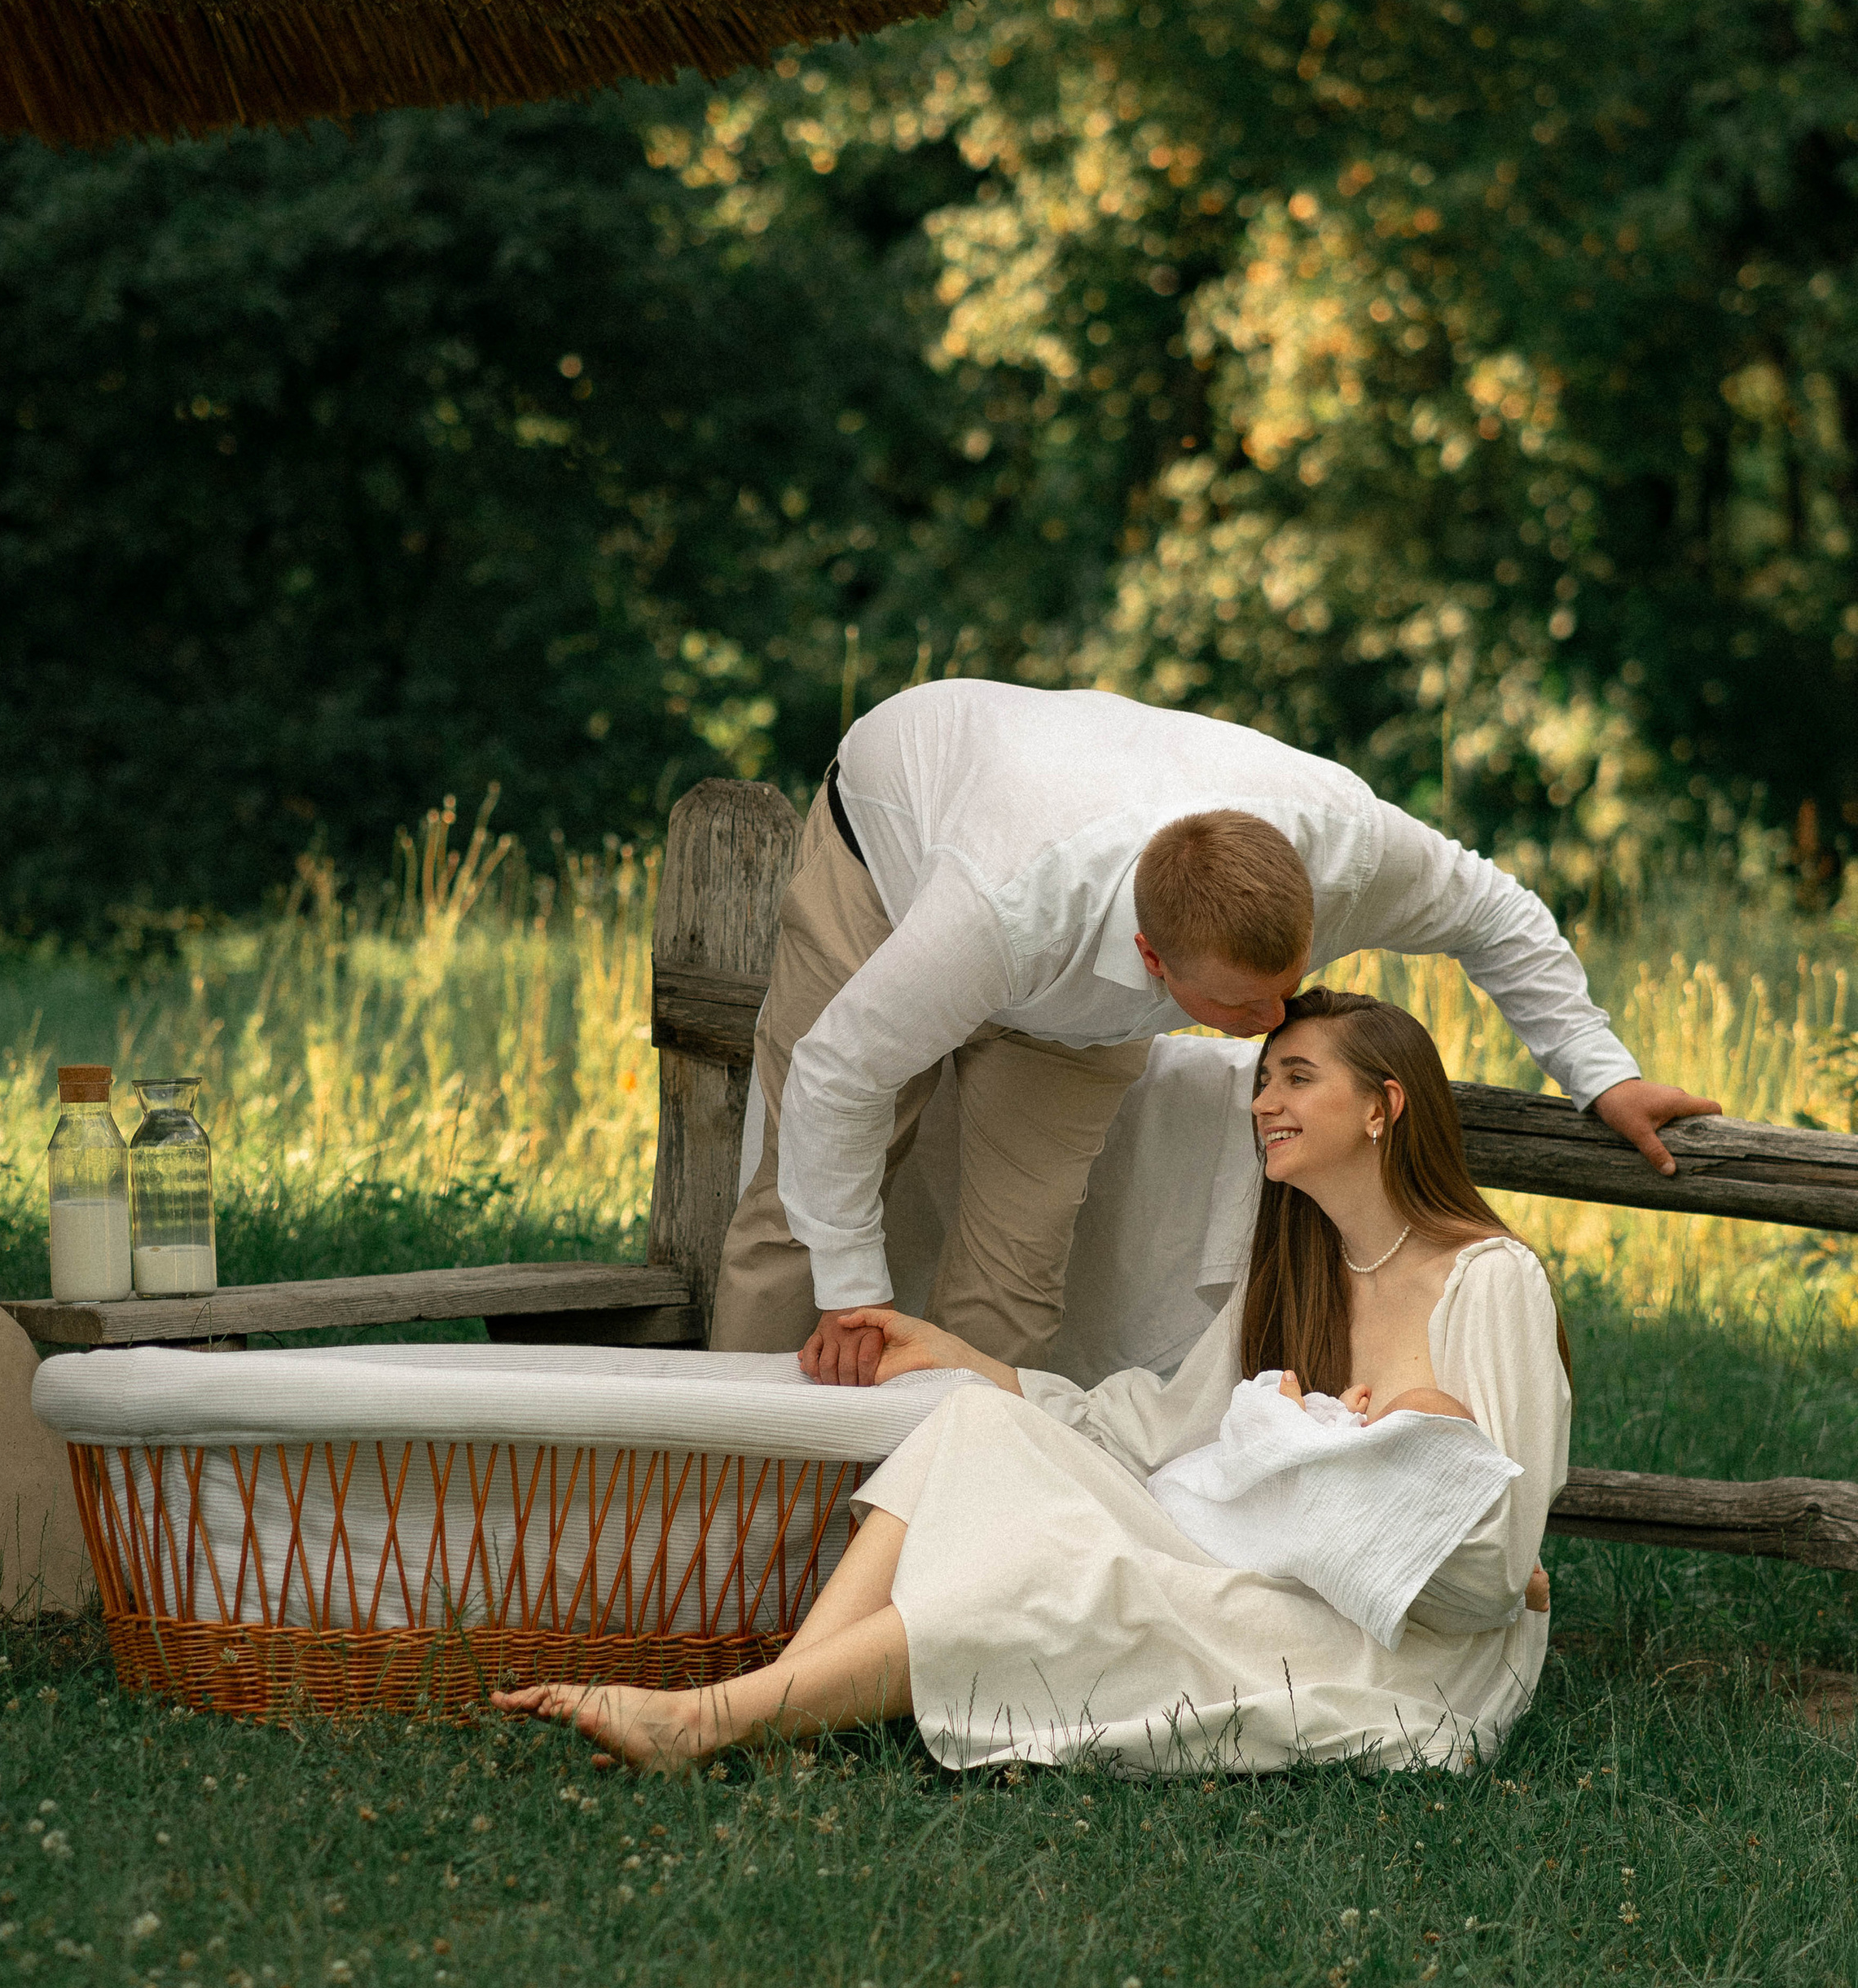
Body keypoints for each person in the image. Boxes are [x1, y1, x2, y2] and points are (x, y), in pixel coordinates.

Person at [498, 988, 1568, 1778]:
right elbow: (1163, 1427)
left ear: (1385, 1106)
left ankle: (708, 1721)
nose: (1264, 1105)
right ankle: (773, 1726)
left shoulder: (1489, 1281)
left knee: (1073, 1579)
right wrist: (971, 1364)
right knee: (972, 1430)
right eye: (1260, 1081)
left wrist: (1356, 1504)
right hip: (1253, 1563)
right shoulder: (1292, 1266)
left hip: (1399, 1650)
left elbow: (1495, 1558)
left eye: (1298, 1078)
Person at [709, 680, 1714, 1381]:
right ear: (1153, 960)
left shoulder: (1351, 850)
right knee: (791, 1224)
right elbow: (839, 1074)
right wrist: (850, 1293)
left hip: (1066, 963)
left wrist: (1603, 1075)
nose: (1274, 1028)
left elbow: (1498, 913)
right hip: (895, 840)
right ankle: (721, 1535)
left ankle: (929, 1551)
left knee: (1016, 1267)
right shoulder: (998, 909)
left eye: (1289, 988)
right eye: (1240, 1010)